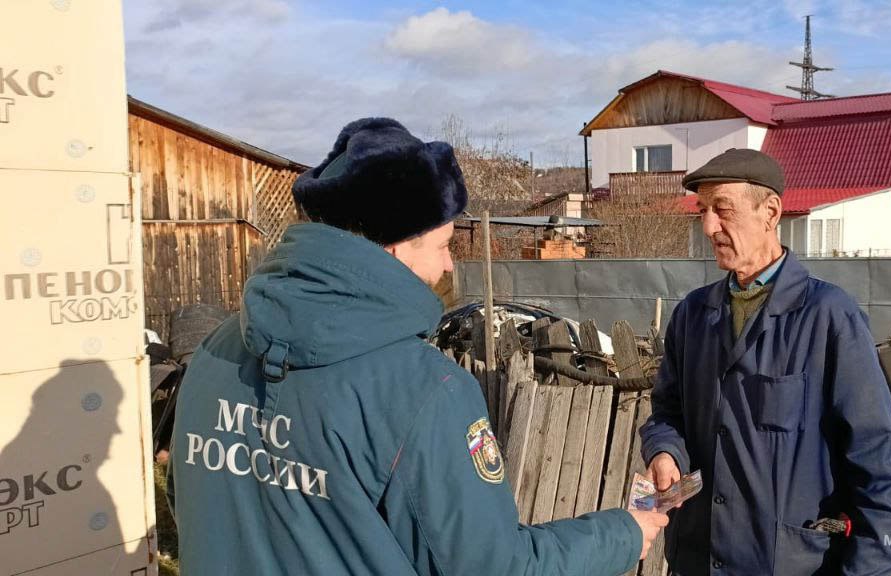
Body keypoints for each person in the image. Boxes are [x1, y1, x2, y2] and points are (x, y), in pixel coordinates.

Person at [167, 117, 667, 575]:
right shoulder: (426, 388)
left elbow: (187, 505)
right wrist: (623, 534)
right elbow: (493, 568)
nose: (450, 267)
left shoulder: (218, 350)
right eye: (444, 245)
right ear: (393, 246)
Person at [639, 149, 891, 575]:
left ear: (771, 212)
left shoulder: (828, 316)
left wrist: (871, 569)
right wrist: (665, 451)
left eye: (722, 210)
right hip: (698, 558)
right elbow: (667, 411)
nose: (709, 226)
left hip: (795, 563)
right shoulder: (692, 315)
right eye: (703, 211)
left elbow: (876, 457)